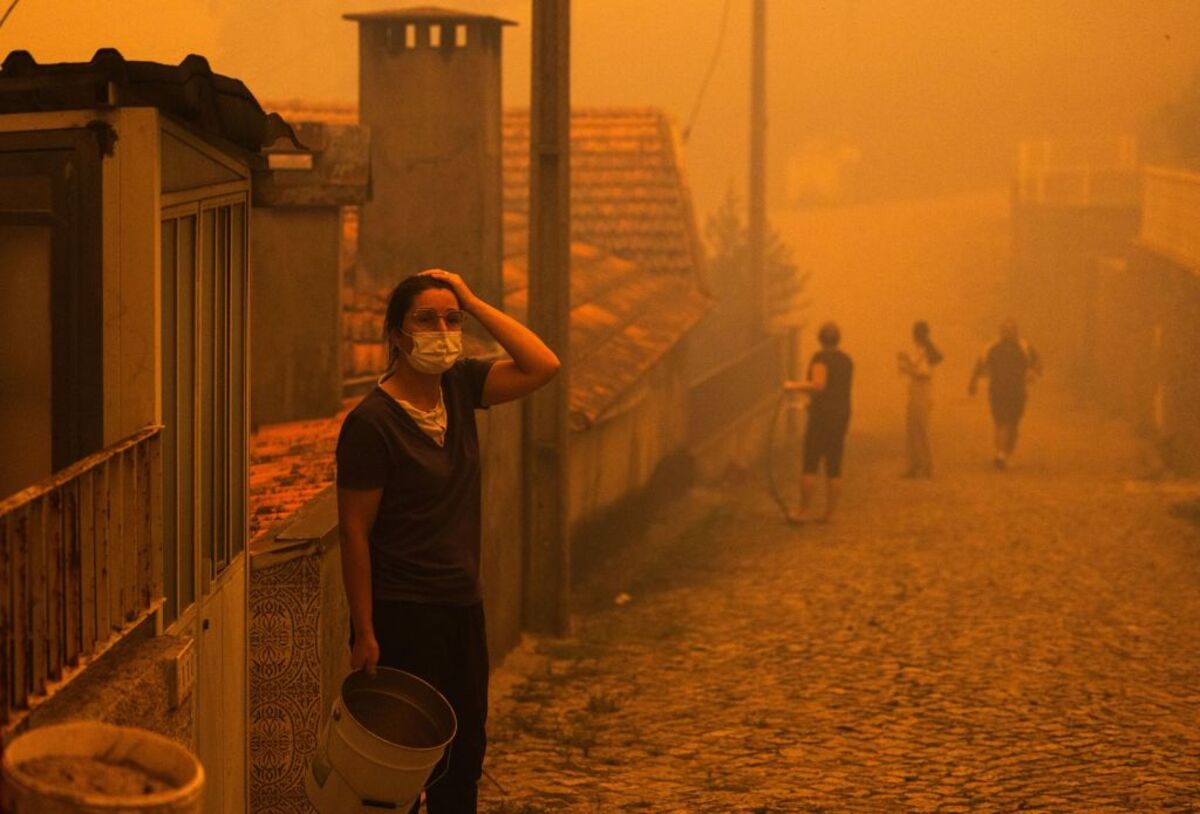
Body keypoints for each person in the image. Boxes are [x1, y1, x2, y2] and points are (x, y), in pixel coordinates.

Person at [336, 269, 560, 813]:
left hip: (461, 606)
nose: (441, 329)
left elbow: (543, 365)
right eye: (426, 319)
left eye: (450, 319)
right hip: (401, 613)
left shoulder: (460, 388)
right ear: (396, 335)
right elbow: (354, 531)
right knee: (400, 766)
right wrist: (364, 631)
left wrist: (475, 301)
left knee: (463, 760)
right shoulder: (372, 424)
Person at [784, 321, 853, 524]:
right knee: (834, 465)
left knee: (810, 463)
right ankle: (830, 514)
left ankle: (803, 511)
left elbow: (819, 385)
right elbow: (837, 389)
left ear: (820, 339)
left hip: (822, 417)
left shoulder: (821, 358)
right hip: (841, 415)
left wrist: (792, 386)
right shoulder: (847, 360)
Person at [968, 317, 1041, 470]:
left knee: (1013, 424)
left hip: (1017, 390)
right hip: (997, 389)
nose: (1007, 332)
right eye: (1004, 329)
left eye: (1011, 329)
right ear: (1000, 331)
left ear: (1016, 331)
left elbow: (1037, 361)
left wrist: (1034, 373)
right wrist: (973, 382)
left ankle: (1007, 454)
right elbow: (980, 363)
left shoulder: (1024, 346)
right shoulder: (992, 347)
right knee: (1000, 422)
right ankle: (1000, 454)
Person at [897, 320, 943, 478]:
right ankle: (915, 464)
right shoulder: (920, 350)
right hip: (916, 390)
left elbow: (924, 373)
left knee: (921, 428)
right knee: (912, 428)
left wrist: (906, 366)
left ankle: (927, 465)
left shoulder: (925, 351)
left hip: (921, 390)